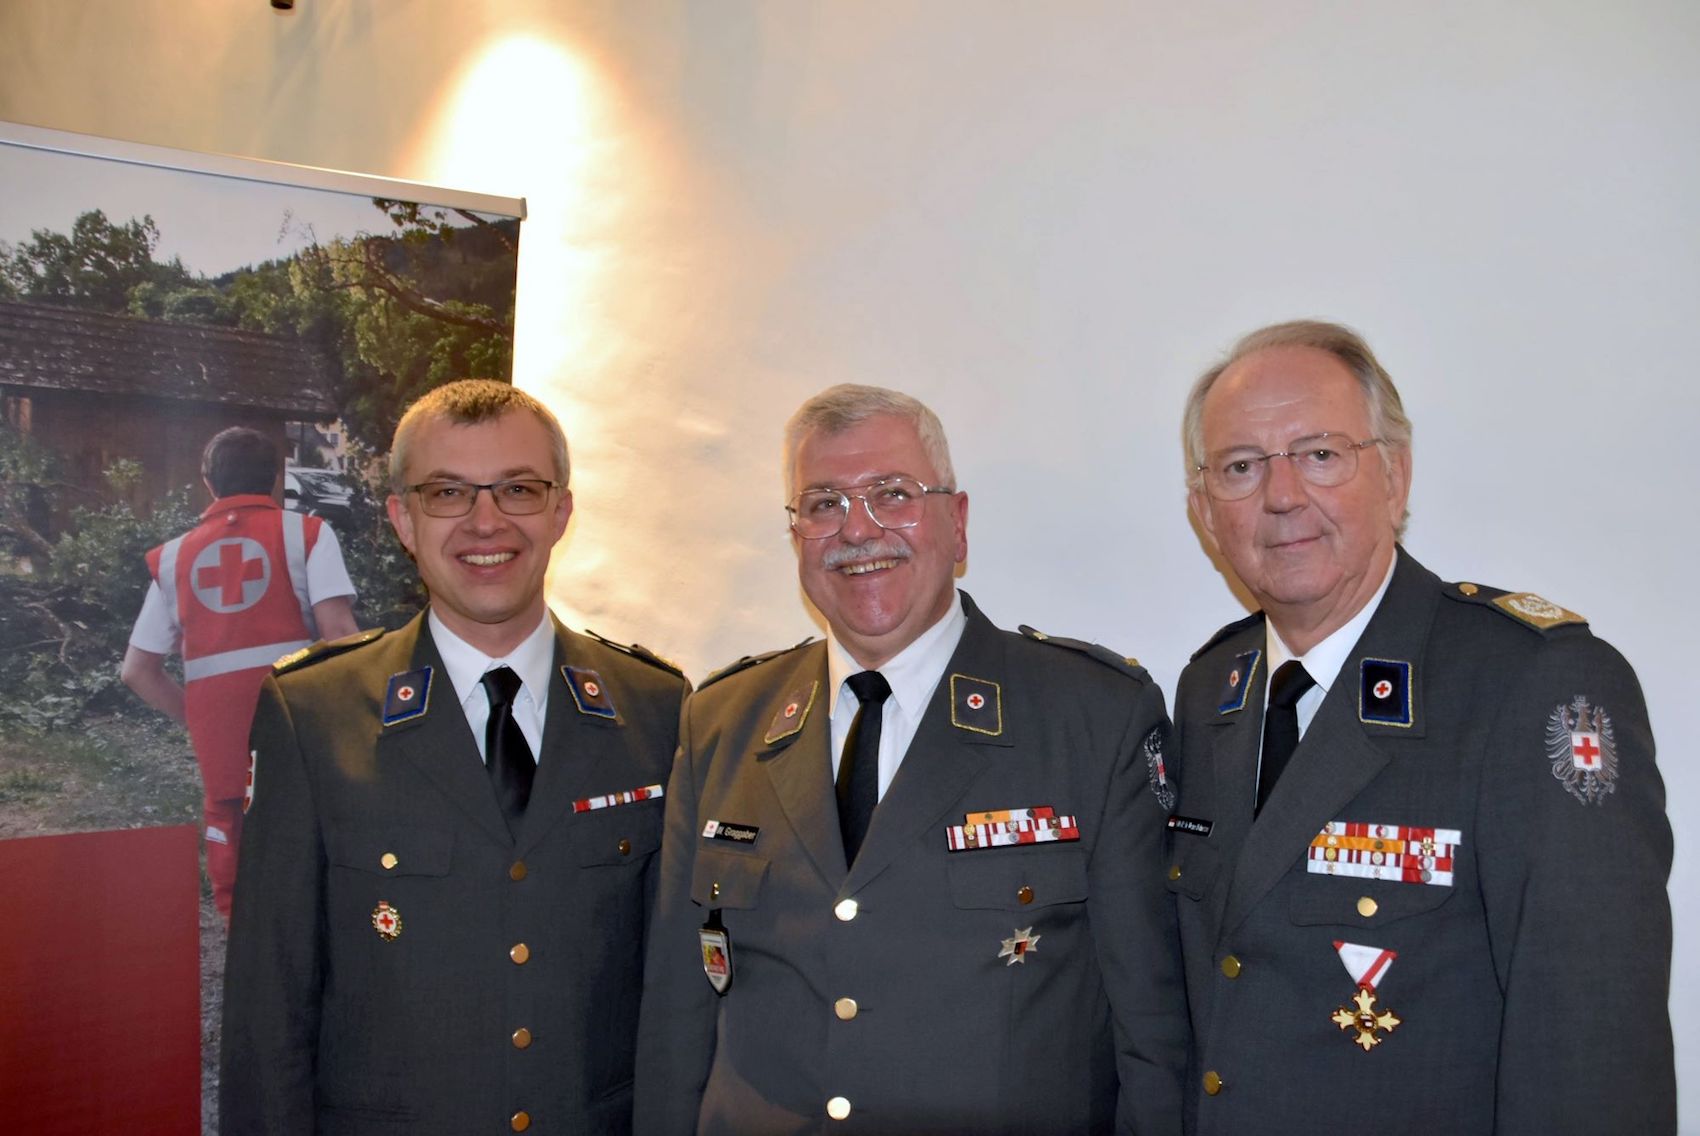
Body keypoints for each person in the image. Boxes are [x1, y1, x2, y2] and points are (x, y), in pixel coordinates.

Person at [635, 384, 1187, 1135]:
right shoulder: (723, 721)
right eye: (824, 503)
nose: (858, 529)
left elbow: (1152, 1030)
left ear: (956, 525)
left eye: (892, 494)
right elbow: (677, 1019)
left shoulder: (1092, 716)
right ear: (796, 535)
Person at [1169, 320, 1674, 1134]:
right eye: (1240, 467)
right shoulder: (1209, 693)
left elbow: (1594, 1045)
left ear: (1395, 477)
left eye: (1320, 454)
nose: (1282, 495)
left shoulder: (1531, 684)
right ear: (1203, 511)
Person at [219, 380, 688, 1135]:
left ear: (561, 512)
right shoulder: (313, 713)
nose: (486, 521)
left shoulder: (656, 709)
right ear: (403, 519)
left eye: (518, 489)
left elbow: (680, 991)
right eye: (447, 493)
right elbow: (267, 1007)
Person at [121, 426, 359, 918]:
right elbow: (340, 635)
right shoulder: (307, 535)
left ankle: (246, 965)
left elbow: (137, 671)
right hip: (302, 738)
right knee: (314, 878)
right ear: (275, 478)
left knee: (237, 887)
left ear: (207, 481)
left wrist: (198, 716)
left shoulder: (172, 559)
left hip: (223, 749)